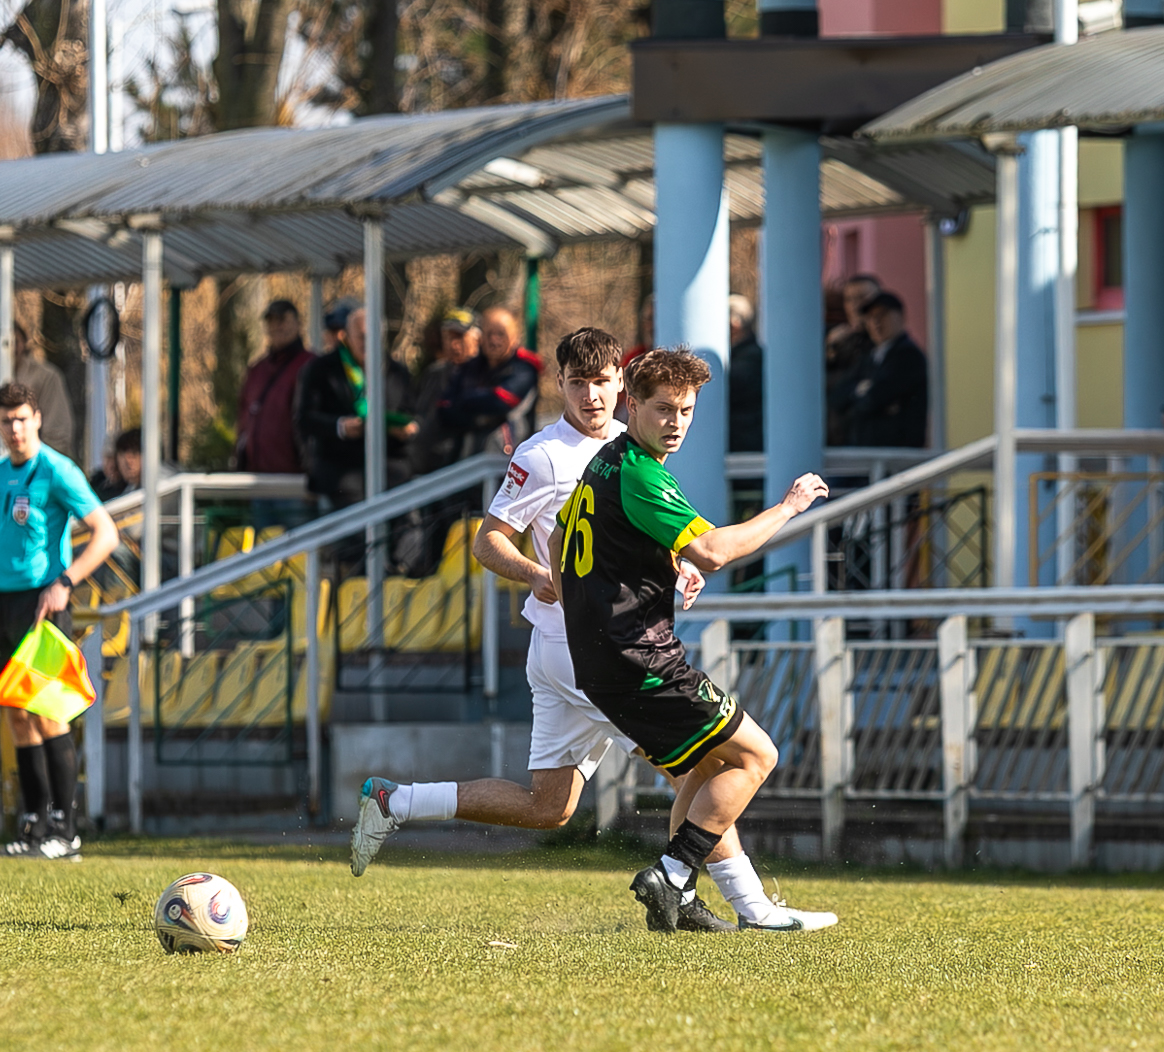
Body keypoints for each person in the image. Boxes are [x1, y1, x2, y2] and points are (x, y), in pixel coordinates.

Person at [351, 327, 732, 877]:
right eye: (577, 382)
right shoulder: (542, 456)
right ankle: (747, 904)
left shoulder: (632, 442)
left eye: (600, 381)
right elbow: (488, 541)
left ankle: (396, 802)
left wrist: (678, 567)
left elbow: (629, 537)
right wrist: (536, 574)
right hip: (583, 647)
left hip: (586, 646)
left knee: (548, 806)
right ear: (559, 382)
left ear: (621, 384)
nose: (590, 396)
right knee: (699, 768)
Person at [553, 347, 836, 933]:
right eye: (663, 409)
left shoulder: (607, 459)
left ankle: (700, 905)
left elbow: (561, 540)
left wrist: (644, 574)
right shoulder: (641, 473)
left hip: (603, 658)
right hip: (640, 659)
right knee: (758, 756)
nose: (676, 423)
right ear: (632, 404)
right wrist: (788, 508)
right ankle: (672, 873)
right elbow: (712, 551)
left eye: (686, 410)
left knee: (705, 769)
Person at [0, 382, 121, 860]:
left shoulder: (56, 469)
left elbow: (105, 533)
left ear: (37, 419)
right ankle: (33, 827)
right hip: (4, 604)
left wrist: (66, 581)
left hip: (44, 605)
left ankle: (66, 832)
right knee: (15, 713)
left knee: (49, 712)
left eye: (22, 418)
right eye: (6, 420)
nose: (15, 428)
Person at [292, 304, 417, 509]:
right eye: (361, 337)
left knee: (407, 518)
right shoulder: (321, 369)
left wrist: (406, 428)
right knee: (355, 519)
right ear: (346, 337)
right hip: (341, 470)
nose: (367, 343)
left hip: (390, 468)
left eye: (372, 337)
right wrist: (340, 426)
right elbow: (305, 419)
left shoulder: (396, 371)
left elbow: (411, 412)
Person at [234, 298, 314, 528]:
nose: (277, 326)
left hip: (295, 482)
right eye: (271, 321)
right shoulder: (257, 370)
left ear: (297, 323)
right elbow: (243, 417)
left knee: (300, 545)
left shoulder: (310, 366)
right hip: (259, 482)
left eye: (283, 320)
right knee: (262, 547)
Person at [434, 306, 543, 456]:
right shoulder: (469, 367)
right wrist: (481, 416)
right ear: (481, 337)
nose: (494, 340)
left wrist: (464, 403)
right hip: (467, 456)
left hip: (510, 458)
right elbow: (444, 409)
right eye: (489, 334)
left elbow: (501, 401)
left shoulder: (524, 368)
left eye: (501, 334)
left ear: (514, 337)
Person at [827, 291, 929, 448]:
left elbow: (874, 399)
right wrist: (860, 390)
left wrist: (857, 398)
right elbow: (837, 397)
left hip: (896, 452)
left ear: (900, 317)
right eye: (870, 317)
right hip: (864, 450)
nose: (876, 322)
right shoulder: (869, 356)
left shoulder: (908, 356)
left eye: (882, 315)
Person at [406, 308, 482, 474]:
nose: (453, 344)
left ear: (477, 339)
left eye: (459, 336)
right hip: (428, 467)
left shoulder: (485, 376)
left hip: (466, 469)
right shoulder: (434, 373)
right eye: (448, 337)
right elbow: (420, 414)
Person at [825, 273, 883, 444]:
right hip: (835, 436)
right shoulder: (836, 338)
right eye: (849, 299)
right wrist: (830, 349)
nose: (855, 305)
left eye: (862, 297)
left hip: (869, 438)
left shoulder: (883, 343)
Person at [11, 321, 76, 456]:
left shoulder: (46, 377)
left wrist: (44, 462)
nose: (11, 348)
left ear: (24, 343)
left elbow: (58, 428)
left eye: (15, 342)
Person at [727, 294, 765, 453]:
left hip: (745, 444)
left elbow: (731, 387)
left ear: (734, 325)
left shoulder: (750, 359)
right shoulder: (744, 355)